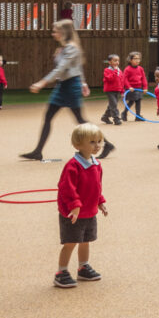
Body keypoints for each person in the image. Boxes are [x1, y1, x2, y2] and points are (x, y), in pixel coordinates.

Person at [23, 20, 116, 162]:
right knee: (49, 117)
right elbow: (76, 67)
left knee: (80, 120)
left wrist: (42, 82)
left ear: (63, 32)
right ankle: (38, 151)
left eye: (55, 31)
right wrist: (83, 83)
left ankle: (107, 144)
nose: (52, 34)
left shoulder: (71, 48)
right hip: (62, 86)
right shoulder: (64, 48)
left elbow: (62, 69)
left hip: (71, 86)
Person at [55, 123, 109, 289]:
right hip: (73, 214)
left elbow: (96, 187)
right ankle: (61, 272)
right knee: (71, 242)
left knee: (86, 241)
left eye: (99, 141)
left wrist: (100, 202)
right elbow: (66, 188)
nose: (97, 145)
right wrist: (75, 205)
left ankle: (83, 267)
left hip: (89, 212)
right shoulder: (73, 166)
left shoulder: (96, 164)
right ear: (78, 144)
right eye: (92, 142)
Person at [101, 54, 126, 126]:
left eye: (118, 60)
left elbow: (121, 81)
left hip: (117, 90)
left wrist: (122, 91)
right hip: (110, 91)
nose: (117, 62)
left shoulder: (120, 71)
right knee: (114, 104)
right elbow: (109, 79)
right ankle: (116, 118)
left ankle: (105, 117)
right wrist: (115, 71)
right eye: (115, 60)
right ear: (109, 62)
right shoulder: (107, 70)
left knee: (112, 105)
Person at [121, 51, 146, 121]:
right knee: (131, 101)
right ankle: (124, 113)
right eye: (135, 58)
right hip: (131, 89)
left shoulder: (140, 68)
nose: (137, 60)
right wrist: (129, 87)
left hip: (138, 88)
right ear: (130, 60)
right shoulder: (127, 69)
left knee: (138, 101)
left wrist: (145, 87)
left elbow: (143, 78)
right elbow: (124, 79)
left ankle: (138, 116)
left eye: (138, 58)